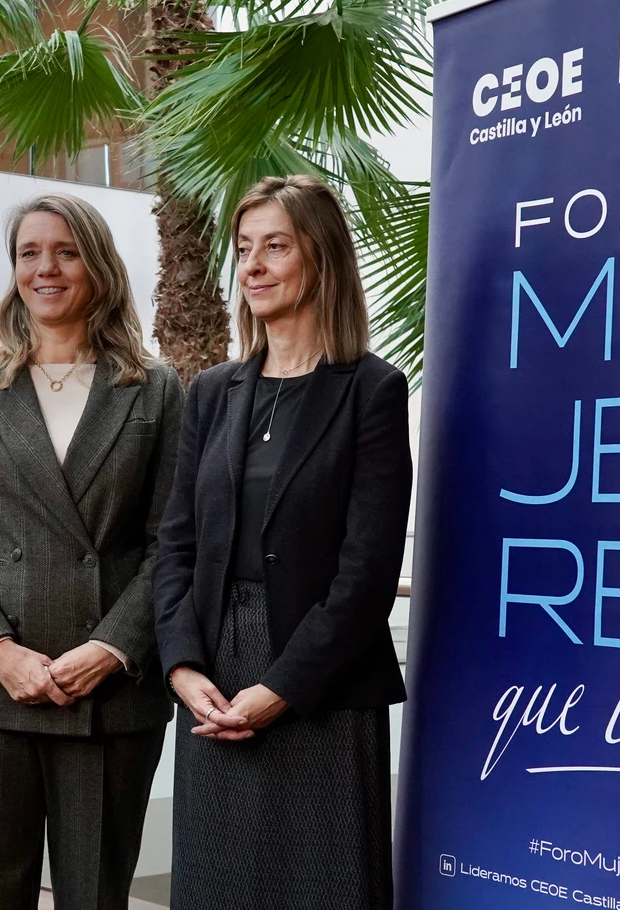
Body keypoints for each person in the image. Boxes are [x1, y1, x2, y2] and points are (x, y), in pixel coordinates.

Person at [0, 193, 184, 910]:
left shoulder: (155, 388)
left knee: (95, 897)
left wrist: (112, 648)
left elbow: (172, 542)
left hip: (110, 691)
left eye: (64, 251)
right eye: (29, 253)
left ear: (96, 265)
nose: (46, 268)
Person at [154, 174, 413, 910]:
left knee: (321, 887)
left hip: (318, 683)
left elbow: (367, 571)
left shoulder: (372, 389)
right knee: (217, 887)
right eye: (244, 249)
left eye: (276, 246)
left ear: (321, 258)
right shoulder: (210, 391)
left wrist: (281, 689)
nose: (254, 265)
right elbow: (175, 544)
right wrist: (180, 665)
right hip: (211, 676)